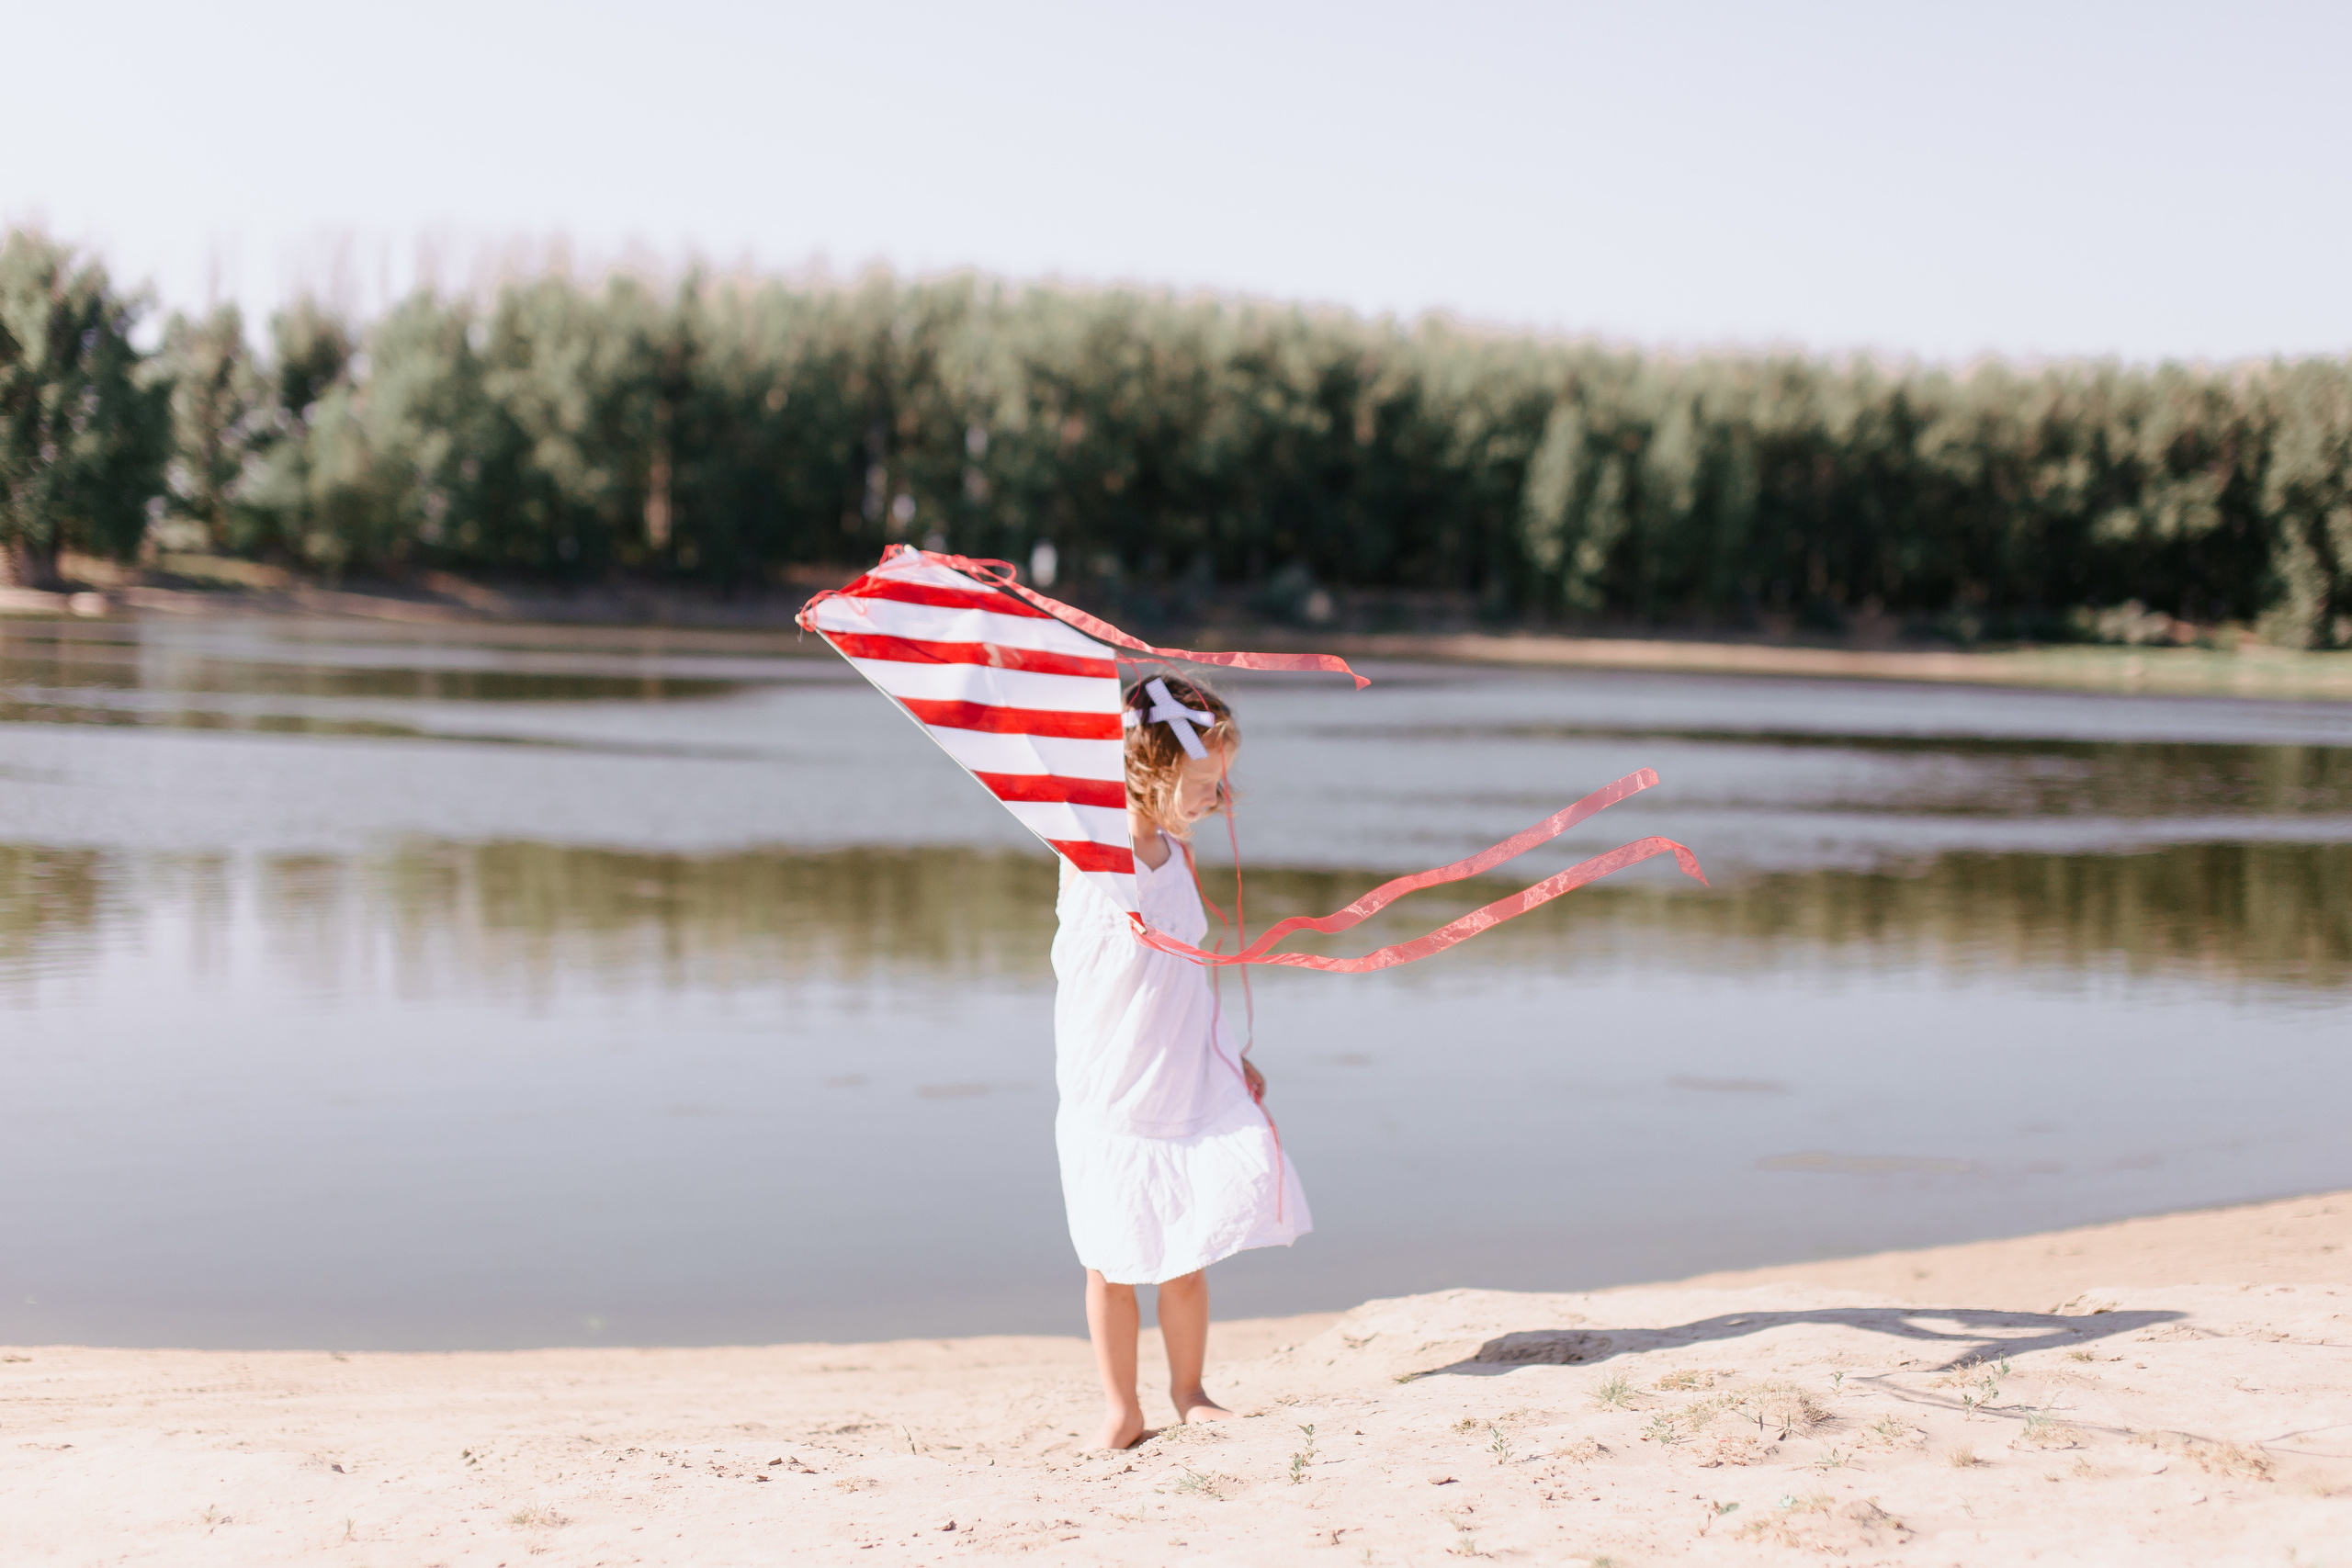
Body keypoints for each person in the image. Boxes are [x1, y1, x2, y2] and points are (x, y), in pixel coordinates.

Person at [1051, 672, 1310, 1450]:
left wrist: (1228, 1053)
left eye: (1221, 782)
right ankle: (1120, 1406)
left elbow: (1192, 965)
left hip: (1185, 1070)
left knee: (1188, 1252)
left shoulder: (1178, 855)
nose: (1221, 799)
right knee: (1110, 1258)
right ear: (1153, 772)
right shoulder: (1096, 851)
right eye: (1205, 782)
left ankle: (1190, 1389)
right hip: (1114, 1083)